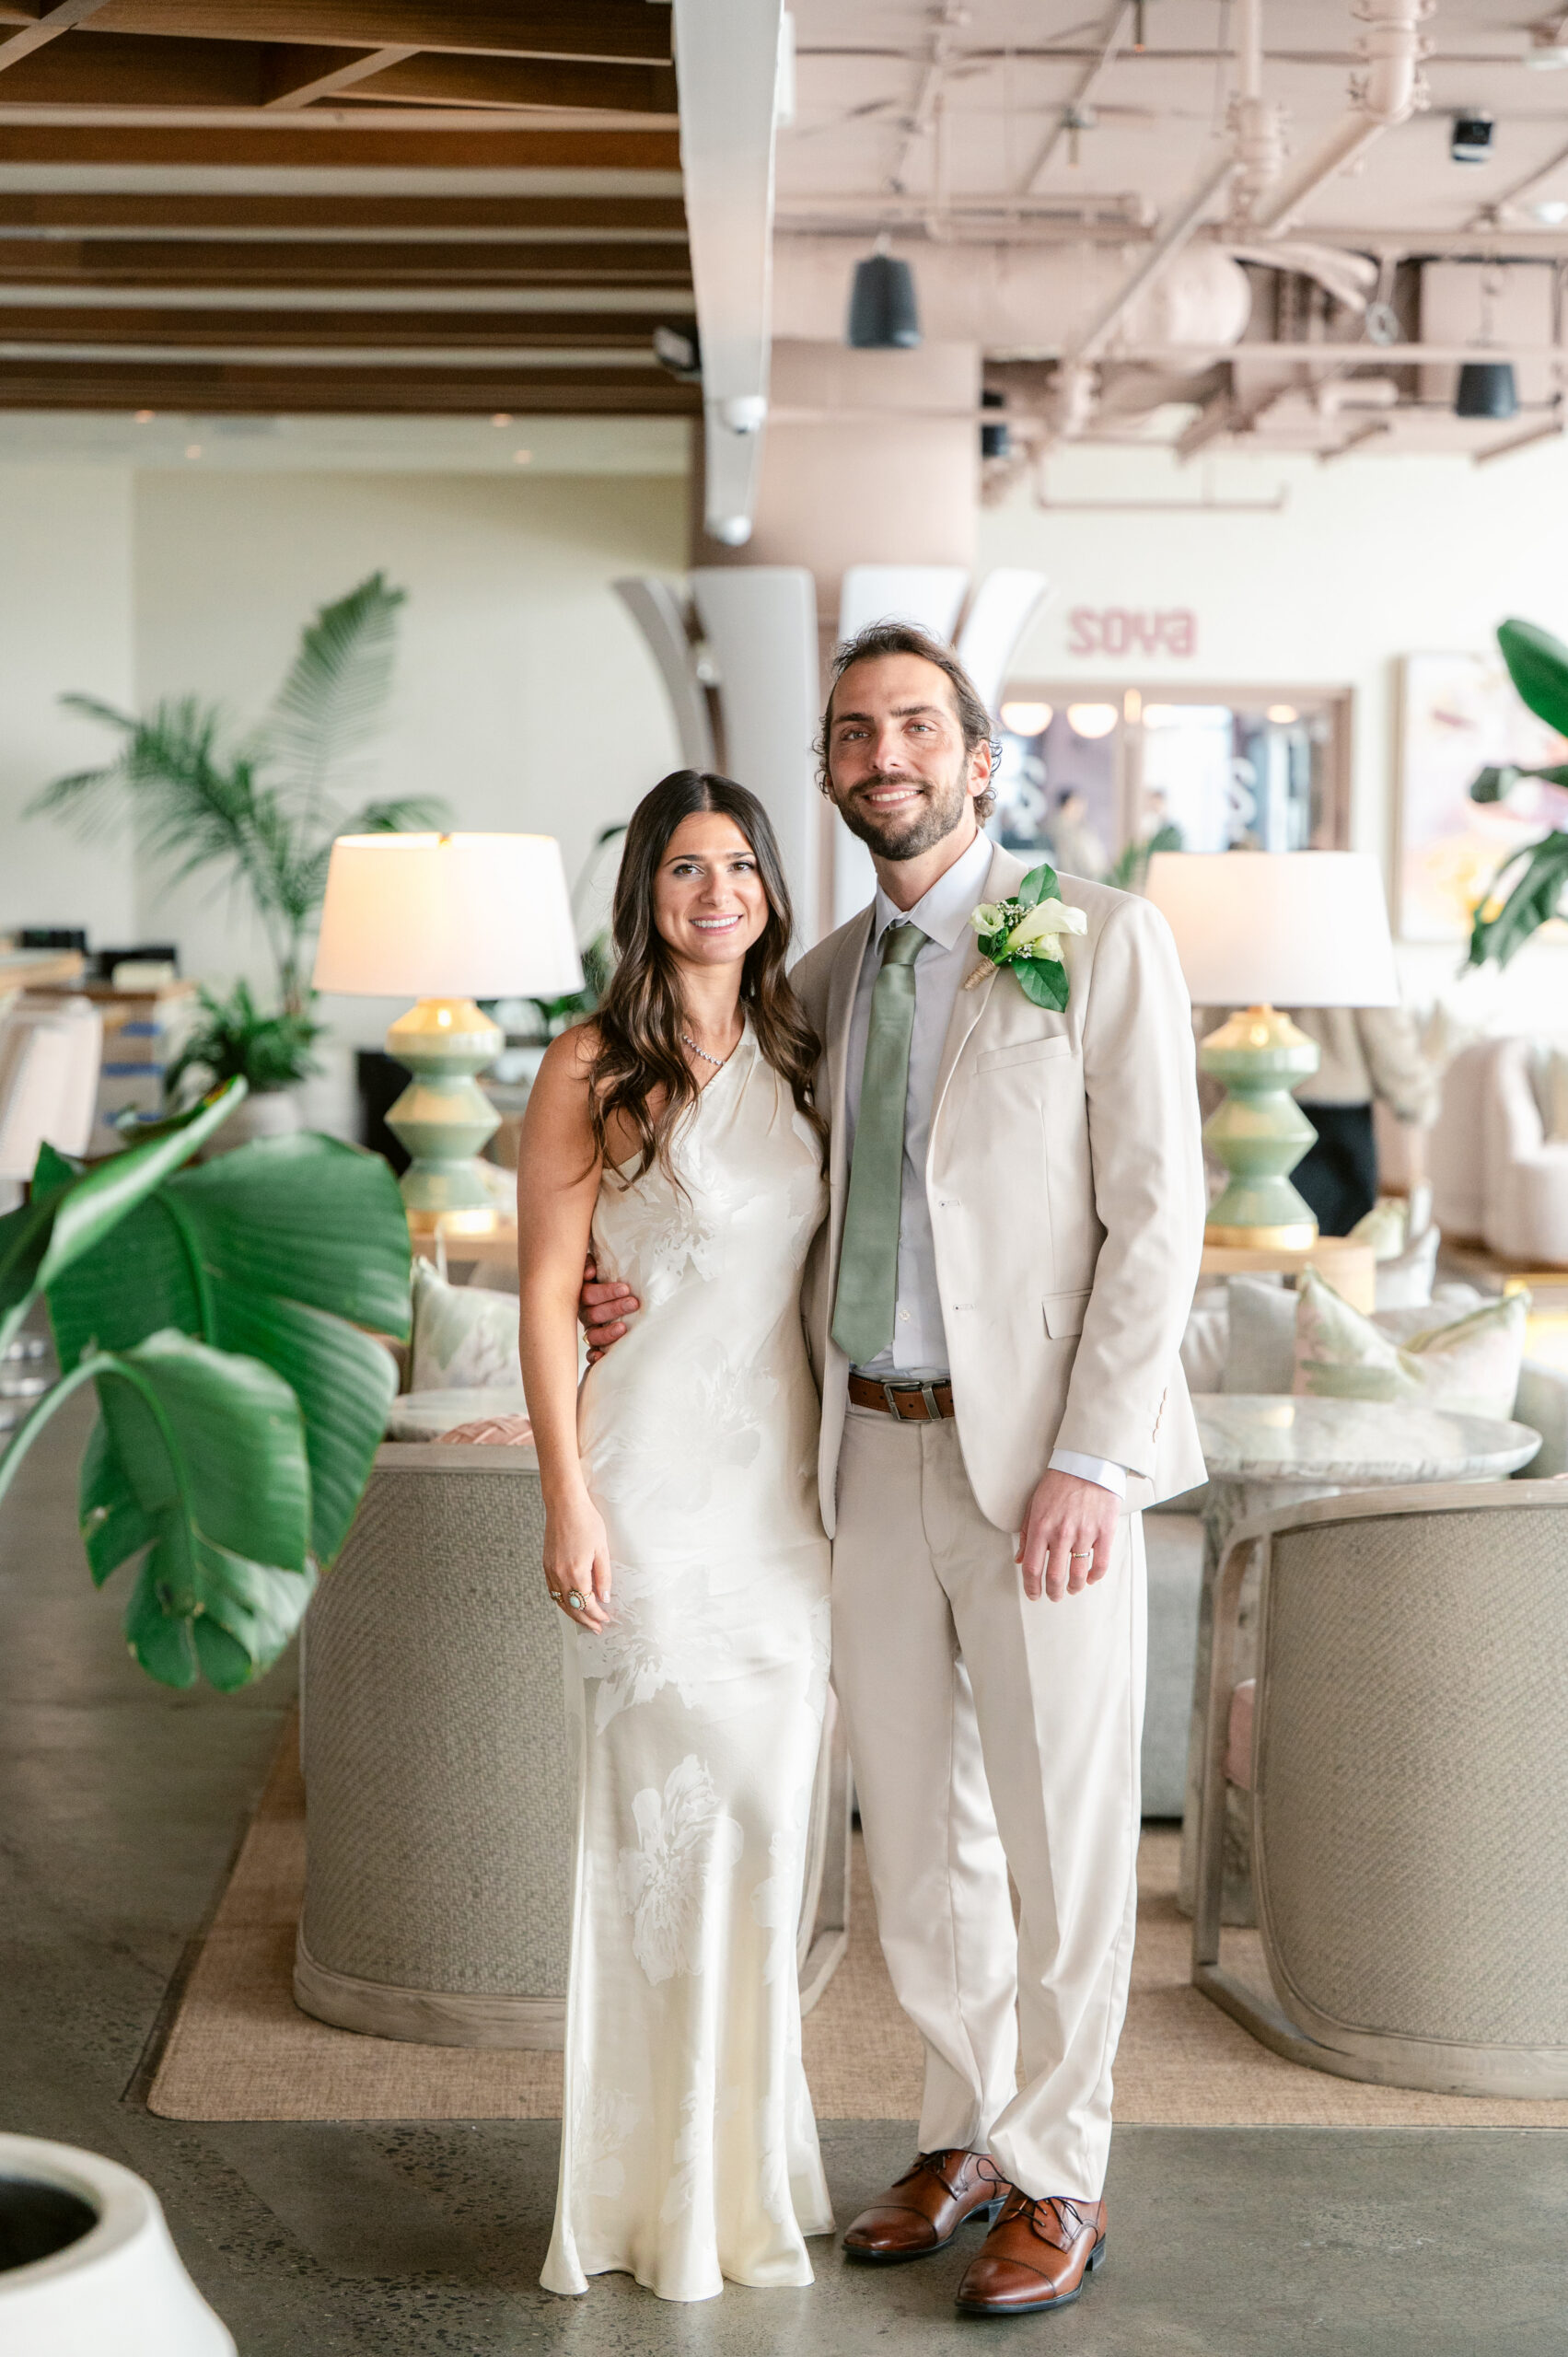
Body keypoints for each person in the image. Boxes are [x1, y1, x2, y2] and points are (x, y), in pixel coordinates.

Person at [584, 621, 1207, 2319]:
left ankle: (1064, 2169)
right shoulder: (818, 978)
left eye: (916, 727)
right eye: (855, 733)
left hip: (1043, 1476)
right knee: (915, 1834)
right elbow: (756, 1204)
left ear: (981, 757)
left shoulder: (1098, 940)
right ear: (832, 772)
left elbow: (1161, 1224)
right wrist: (621, 1275)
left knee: (1068, 1841)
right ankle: (964, 2133)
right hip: (857, 1455)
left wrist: (1095, 1455)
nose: (886, 757)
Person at [518, 770, 834, 2305]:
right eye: (686, 869)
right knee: (663, 1849)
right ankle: (647, 2209)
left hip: (784, 1509)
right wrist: (566, 1496)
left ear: (771, 885)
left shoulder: (802, 1050)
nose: (718, 893)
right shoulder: (590, 1063)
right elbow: (545, 1289)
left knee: (771, 1840)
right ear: (645, 889)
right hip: (646, 1494)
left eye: (741, 867)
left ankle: (746, 2188)